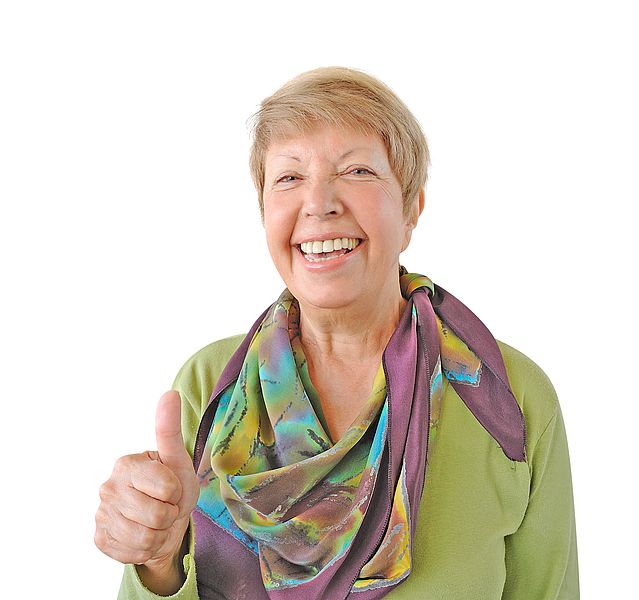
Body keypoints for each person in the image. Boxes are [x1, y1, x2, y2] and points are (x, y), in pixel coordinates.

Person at [95, 66, 579, 599]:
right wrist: (158, 564)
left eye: (356, 171)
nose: (319, 202)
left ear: (412, 207)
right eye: (289, 177)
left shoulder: (508, 400)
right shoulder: (209, 384)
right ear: (265, 213)